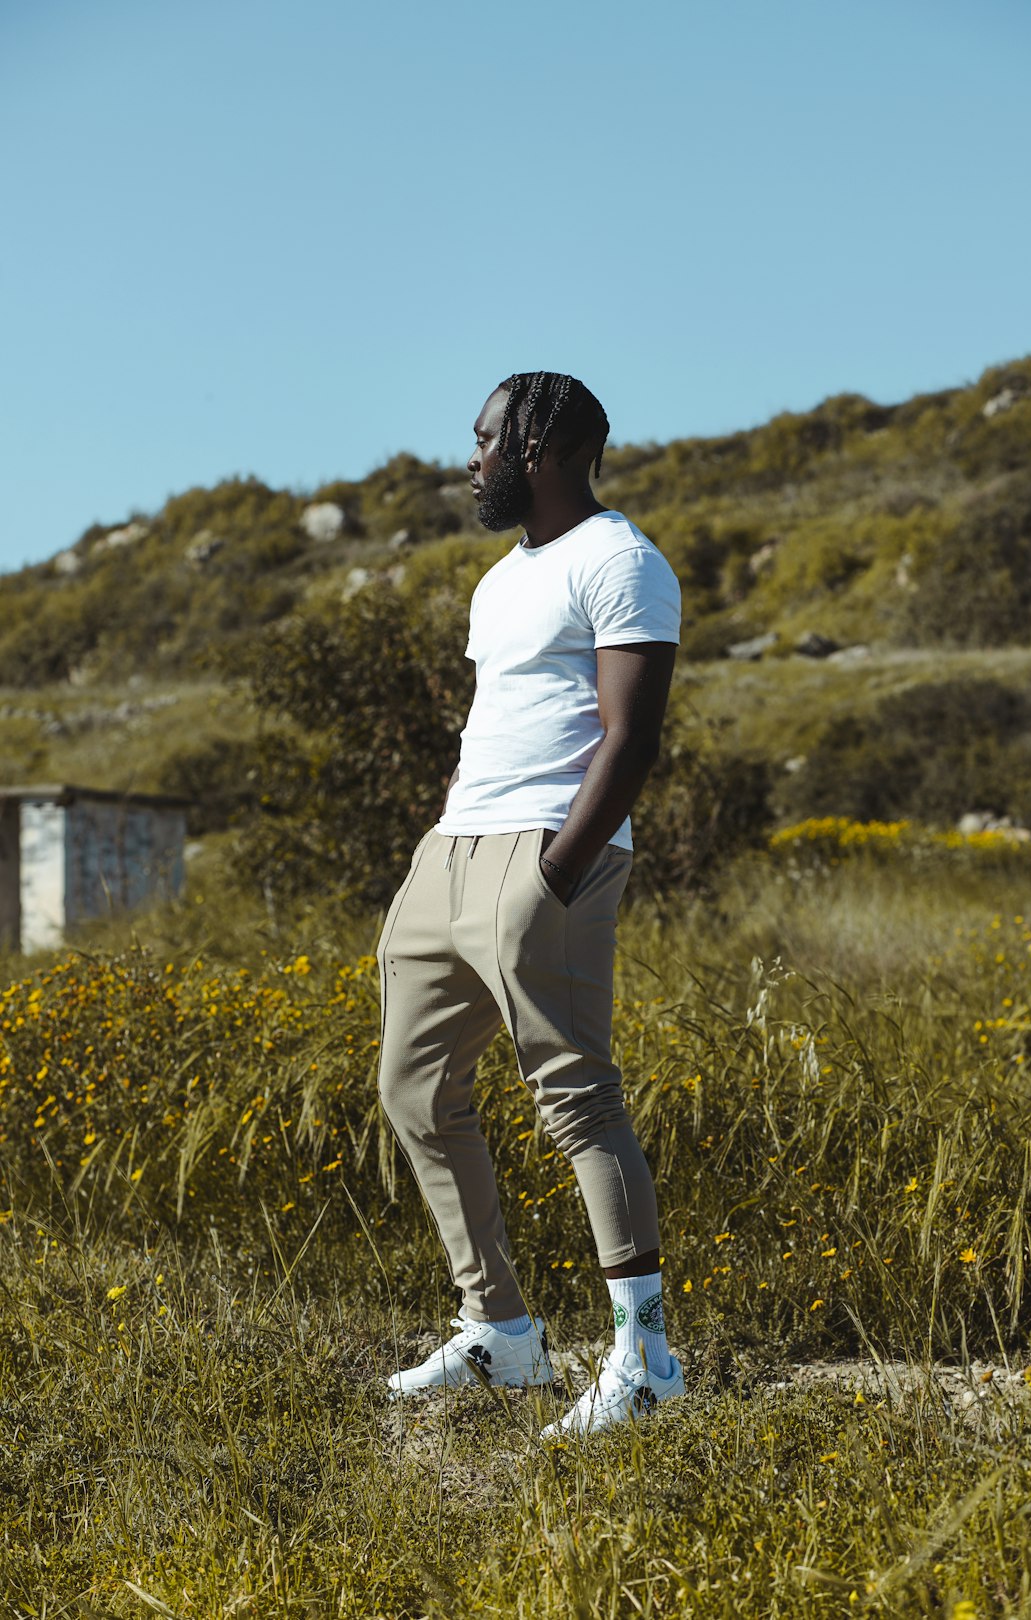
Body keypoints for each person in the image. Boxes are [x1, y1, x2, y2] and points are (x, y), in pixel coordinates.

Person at [376, 371, 684, 1437]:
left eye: (483, 437)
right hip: (454, 852)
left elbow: (630, 735)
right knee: (413, 1091)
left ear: (539, 442)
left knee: (576, 1099)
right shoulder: (503, 579)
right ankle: (502, 1335)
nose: (470, 458)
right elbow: (496, 721)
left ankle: (645, 1361)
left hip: (548, 857)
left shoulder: (622, 561)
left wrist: (553, 873)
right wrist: (444, 848)